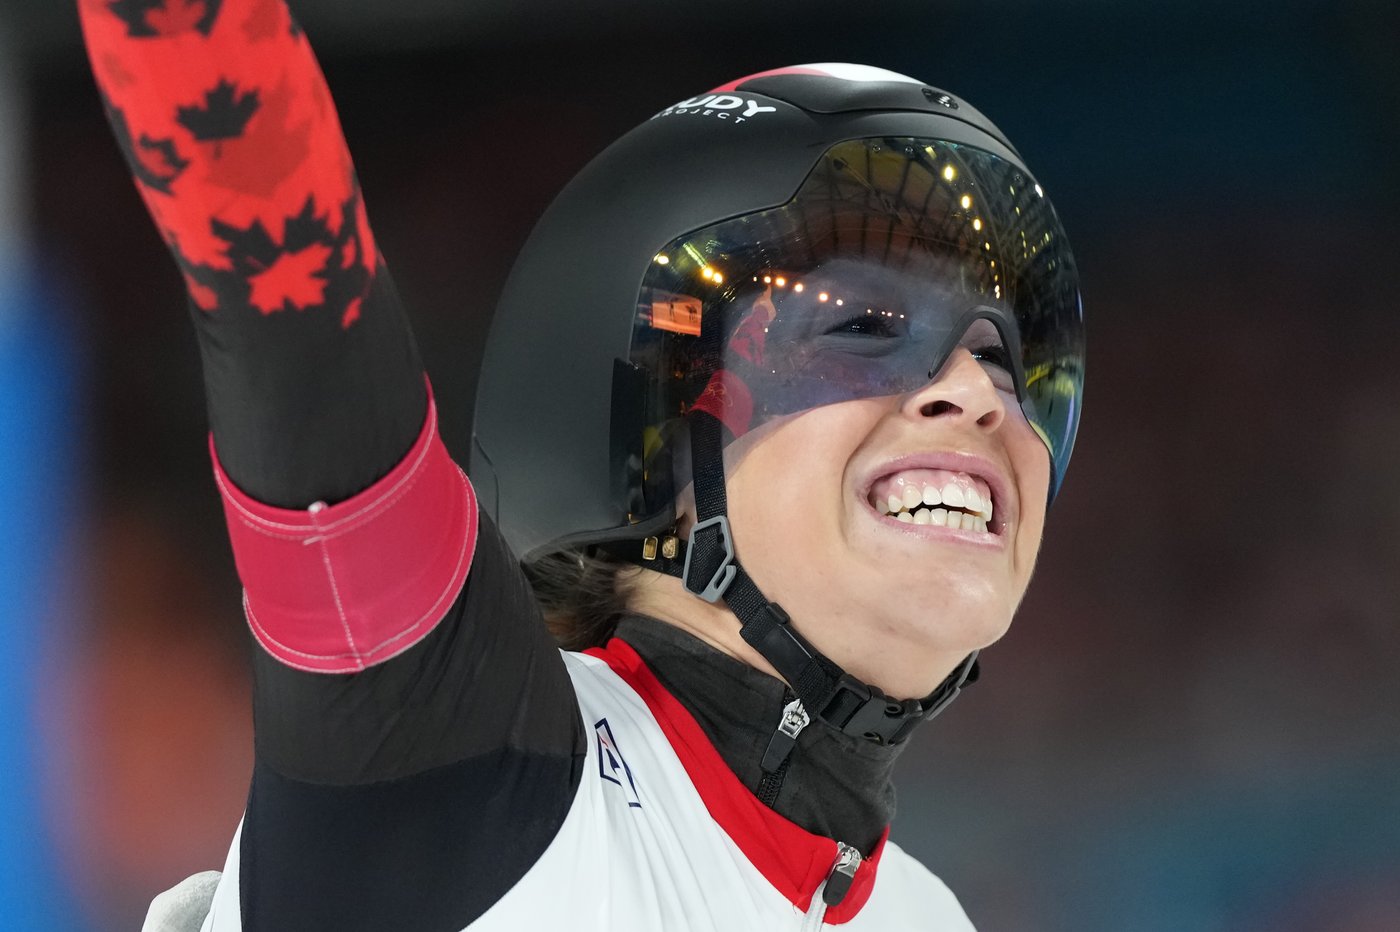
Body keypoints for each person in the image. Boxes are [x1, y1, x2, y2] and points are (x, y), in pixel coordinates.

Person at [78, 1, 1084, 929]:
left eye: (1005, 358)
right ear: (647, 436)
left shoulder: (924, 914)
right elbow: (300, 345)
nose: (978, 391)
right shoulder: (464, 761)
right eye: (864, 327)